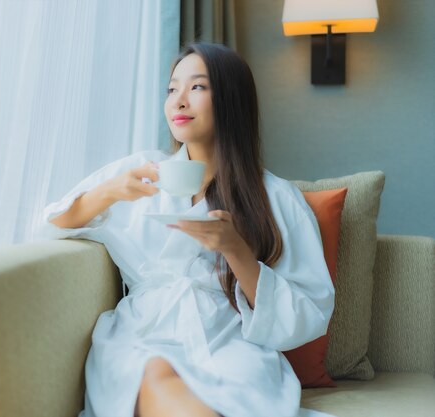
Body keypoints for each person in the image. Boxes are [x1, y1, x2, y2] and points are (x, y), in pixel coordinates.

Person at [38, 42, 335, 417]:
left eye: (196, 87)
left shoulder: (275, 196)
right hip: (143, 332)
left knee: (224, 399)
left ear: (231, 99)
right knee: (154, 373)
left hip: (230, 342)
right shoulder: (142, 171)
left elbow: (309, 313)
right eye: (171, 89)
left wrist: (237, 251)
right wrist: (110, 192)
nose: (178, 101)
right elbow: (51, 225)